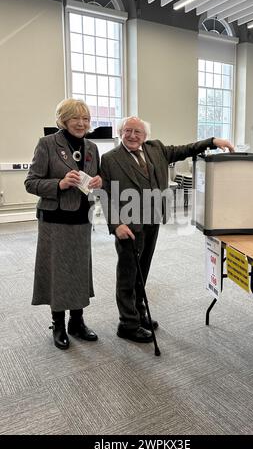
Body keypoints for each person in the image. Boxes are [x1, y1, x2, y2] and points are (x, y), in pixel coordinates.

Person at [101, 116, 234, 344]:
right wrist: (115, 225)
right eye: (128, 131)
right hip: (128, 225)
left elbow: (187, 149)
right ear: (120, 132)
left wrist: (213, 140)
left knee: (142, 271)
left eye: (138, 132)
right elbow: (106, 194)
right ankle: (127, 323)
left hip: (152, 220)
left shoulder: (156, 148)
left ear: (146, 136)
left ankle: (139, 313)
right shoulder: (110, 159)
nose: (132, 136)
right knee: (127, 274)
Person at [25, 98, 102, 350]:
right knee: (58, 273)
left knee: (79, 271)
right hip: (54, 220)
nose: (81, 123)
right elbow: (31, 182)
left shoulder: (92, 147)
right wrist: (58, 183)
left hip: (82, 218)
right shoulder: (47, 144)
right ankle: (58, 324)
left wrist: (99, 183)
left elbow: (95, 182)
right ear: (63, 120)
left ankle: (77, 322)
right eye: (75, 118)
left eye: (86, 119)